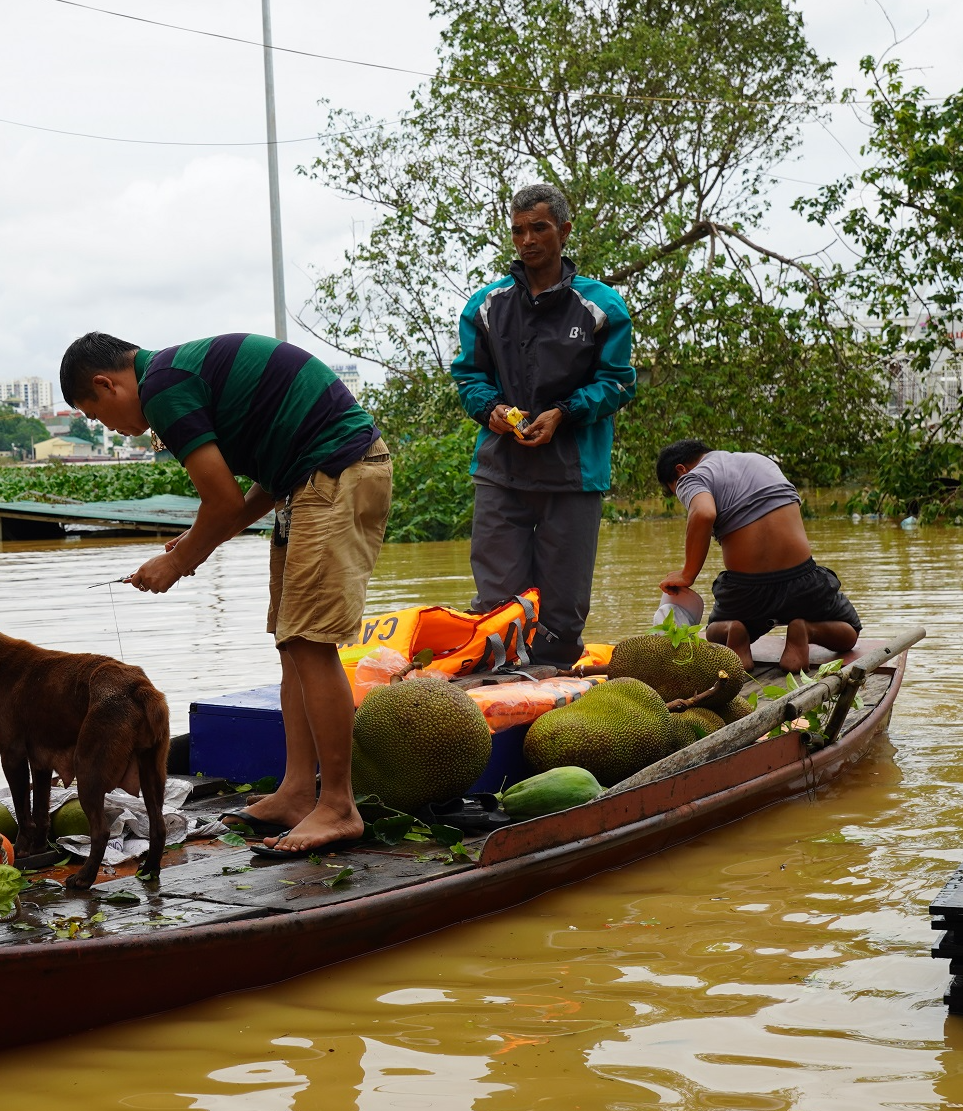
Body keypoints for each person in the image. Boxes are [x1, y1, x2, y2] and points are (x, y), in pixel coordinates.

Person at [61, 331, 391, 856]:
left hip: (335, 472)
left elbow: (221, 500)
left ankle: (339, 806)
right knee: (292, 645)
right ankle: (299, 792)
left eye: (99, 415)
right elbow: (245, 496)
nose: (114, 430)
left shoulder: (164, 389)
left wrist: (180, 559)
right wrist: (191, 545)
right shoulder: (176, 375)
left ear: (107, 384)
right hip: (305, 480)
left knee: (310, 641)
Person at [452, 182, 635, 666]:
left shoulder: (601, 306)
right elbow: (468, 376)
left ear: (564, 231)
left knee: (562, 608)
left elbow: (618, 382)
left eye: (539, 228)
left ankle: (554, 689)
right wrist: (489, 408)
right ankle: (498, 691)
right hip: (501, 469)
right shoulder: (487, 306)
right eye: (518, 231)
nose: (527, 240)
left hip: (573, 474)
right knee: (496, 602)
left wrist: (565, 413)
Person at [656, 439, 861, 672]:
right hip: (803, 583)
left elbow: (703, 512)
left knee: (713, 632)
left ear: (680, 470)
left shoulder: (690, 477)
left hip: (746, 592)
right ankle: (805, 630)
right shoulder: (761, 461)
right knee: (849, 632)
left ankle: (735, 631)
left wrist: (687, 574)